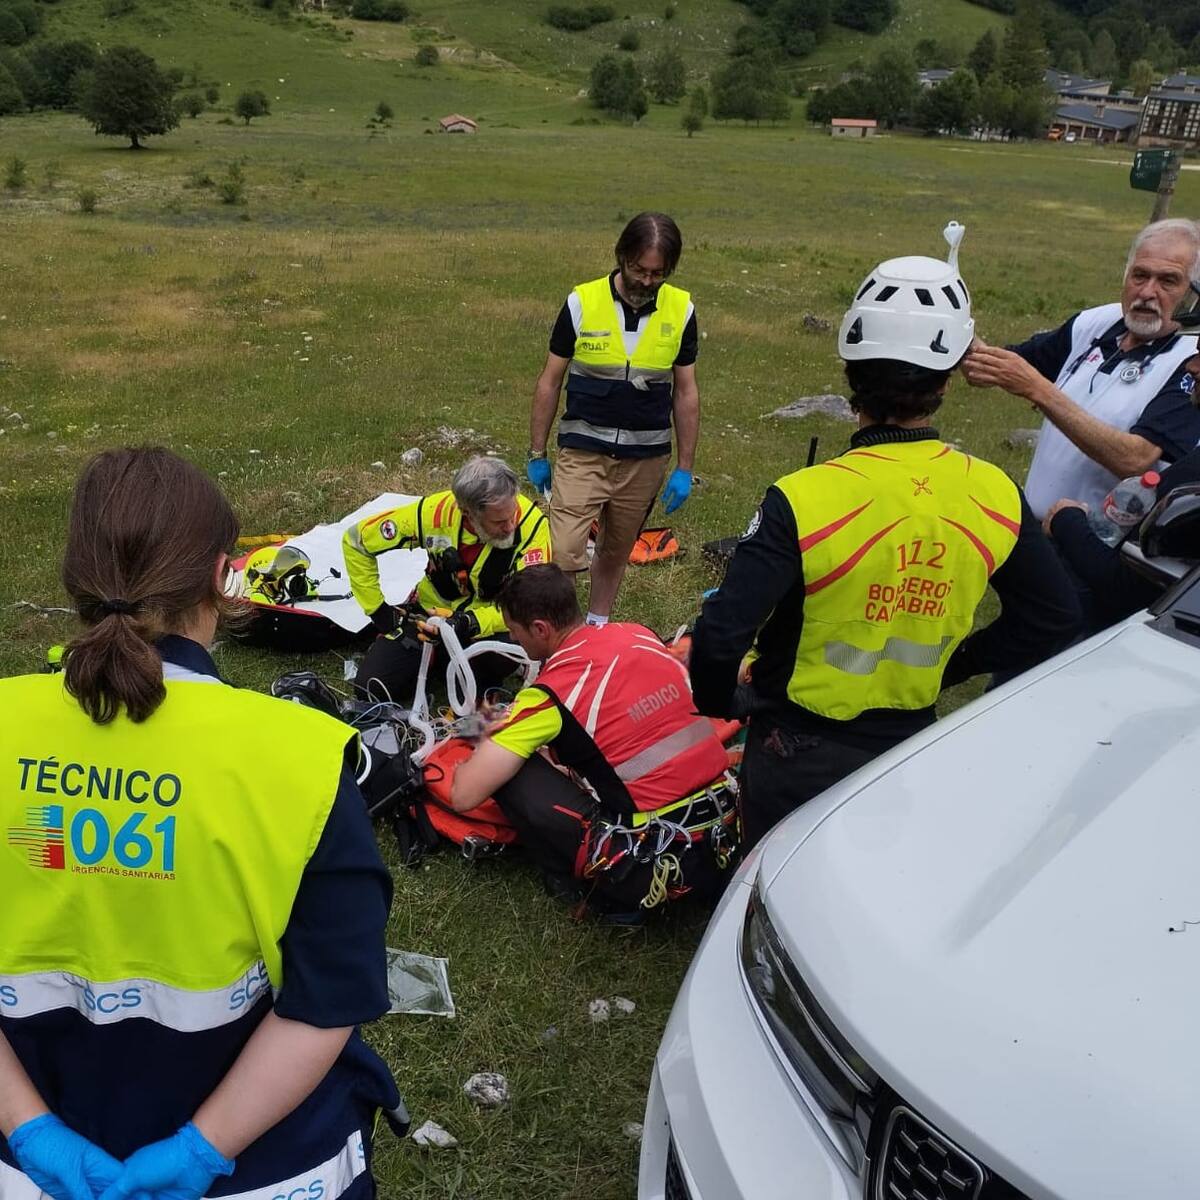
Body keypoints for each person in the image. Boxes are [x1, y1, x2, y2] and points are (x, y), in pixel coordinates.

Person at [0, 448, 398, 1200]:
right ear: (222, 577)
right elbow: (329, 1000)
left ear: (75, 579)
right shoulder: (299, 757)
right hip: (265, 1169)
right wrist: (198, 1151)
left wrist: (28, 1129)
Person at [689, 224, 1082, 850]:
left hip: (795, 742)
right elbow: (1056, 616)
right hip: (906, 743)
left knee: (766, 879)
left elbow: (720, 634)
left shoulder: (804, 497)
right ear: (947, 379)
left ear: (850, 374)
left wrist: (725, 699)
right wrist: (955, 665)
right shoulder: (994, 493)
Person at [448, 564, 733, 920]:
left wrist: (478, 732)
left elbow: (464, 795)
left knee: (513, 773)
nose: (514, 640)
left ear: (540, 628)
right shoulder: (637, 634)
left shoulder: (550, 695)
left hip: (647, 867)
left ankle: (570, 882)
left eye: (515, 632)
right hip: (724, 833)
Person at [962, 219, 1200, 520]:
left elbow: (1135, 458)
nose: (1147, 292)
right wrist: (951, 323)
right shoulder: (1096, 323)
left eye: (1168, 281)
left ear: (1193, 293)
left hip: (1104, 550)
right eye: (1139, 275)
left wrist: (1040, 390)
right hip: (1037, 529)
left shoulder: (1192, 359)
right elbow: (995, 367)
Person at [528, 212, 699, 626]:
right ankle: (564, 638)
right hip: (584, 450)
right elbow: (550, 382)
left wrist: (684, 468)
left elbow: (687, 392)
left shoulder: (682, 310)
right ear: (621, 257)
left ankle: (597, 626)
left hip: (645, 458)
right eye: (639, 269)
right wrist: (537, 451)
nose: (646, 281)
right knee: (565, 548)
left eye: (657, 273)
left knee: (617, 549)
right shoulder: (581, 302)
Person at [344, 455, 550, 703]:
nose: (510, 527)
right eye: (498, 521)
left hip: (491, 625)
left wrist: (469, 622)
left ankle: (481, 668)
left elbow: (532, 603)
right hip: (427, 617)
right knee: (372, 688)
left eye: (512, 515)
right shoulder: (434, 512)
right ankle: (440, 660)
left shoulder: (532, 525)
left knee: (485, 675)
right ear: (467, 512)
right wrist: (378, 610)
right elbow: (356, 541)